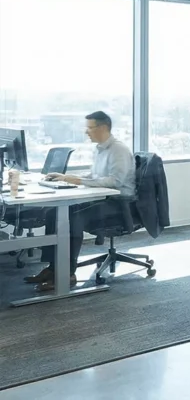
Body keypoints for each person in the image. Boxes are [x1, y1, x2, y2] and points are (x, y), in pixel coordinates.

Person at [24, 111, 136, 292]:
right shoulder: (100, 149)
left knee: (75, 217)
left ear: (103, 128)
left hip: (119, 202)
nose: (86, 132)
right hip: (102, 198)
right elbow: (94, 176)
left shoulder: (118, 150)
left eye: (90, 128)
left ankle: (67, 274)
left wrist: (77, 181)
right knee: (53, 212)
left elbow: (115, 182)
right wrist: (66, 177)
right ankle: (53, 268)